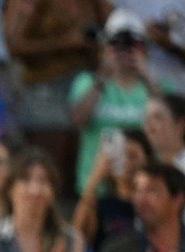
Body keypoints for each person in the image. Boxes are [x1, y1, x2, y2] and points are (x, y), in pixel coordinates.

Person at [3, 0, 110, 193]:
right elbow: (14, 46)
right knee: (47, 162)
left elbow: (107, 32)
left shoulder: (93, 4)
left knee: (75, 163)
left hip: (83, 86)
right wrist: (65, 42)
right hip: (44, 89)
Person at [70, 9, 158, 193]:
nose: (125, 52)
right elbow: (78, 119)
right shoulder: (87, 82)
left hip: (143, 189)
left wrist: (147, 77)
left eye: (133, 46)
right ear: (105, 48)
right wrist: (102, 78)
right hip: (94, 187)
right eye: (117, 45)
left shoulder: (156, 87)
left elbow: (170, 126)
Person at [72, 126, 150, 252]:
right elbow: (76, 236)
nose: (126, 163)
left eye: (133, 156)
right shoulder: (100, 205)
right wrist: (96, 176)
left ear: (147, 159)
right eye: (120, 156)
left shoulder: (152, 204)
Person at [143, 91, 185, 171]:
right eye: (147, 118)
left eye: (158, 117)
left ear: (181, 125)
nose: (149, 126)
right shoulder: (146, 167)